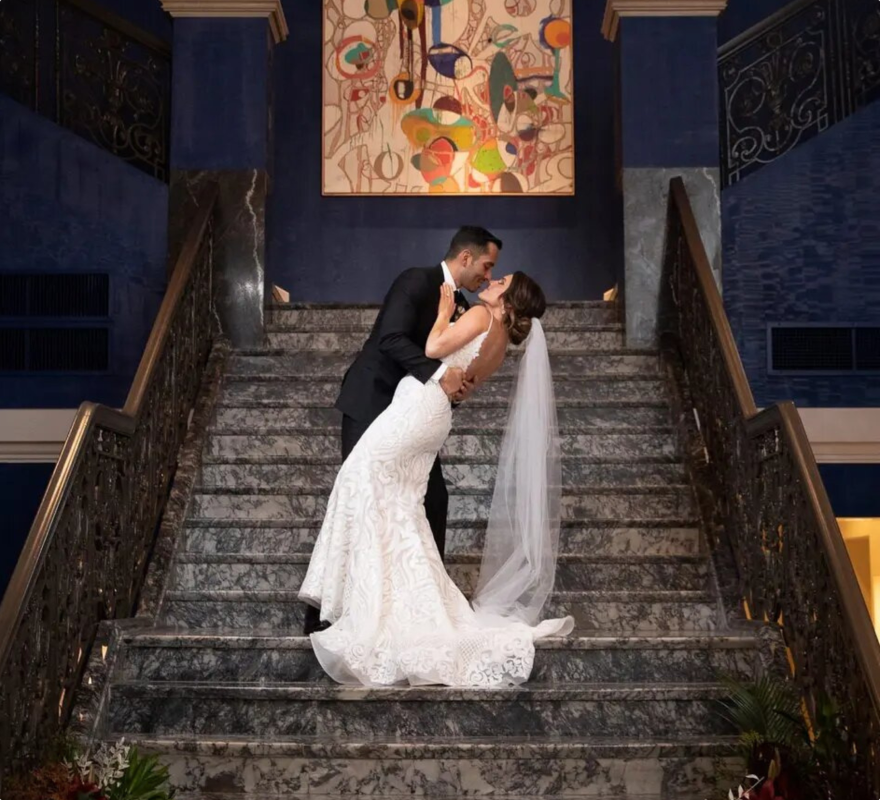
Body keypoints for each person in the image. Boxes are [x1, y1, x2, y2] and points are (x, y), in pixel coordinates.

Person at [298, 267, 574, 687]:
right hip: (434, 415)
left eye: (501, 282)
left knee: (361, 477)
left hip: (418, 407)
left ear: (509, 301)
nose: (492, 281)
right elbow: (464, 383)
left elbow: (432, 347)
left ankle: (366, 604)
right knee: (398, 503)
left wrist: (444, 312)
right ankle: (383, 598)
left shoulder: (481, 317)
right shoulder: (501, 342)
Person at [301, 226, 501, 636]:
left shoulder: (465, 307)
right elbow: (390, 338)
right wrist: (441, 374)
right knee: (361, 497)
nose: (487, 274)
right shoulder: (416, 280)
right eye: (486, 265)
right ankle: (330, 614)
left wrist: (458, 385)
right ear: (465, 258)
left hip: (411, 414)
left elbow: (454, 354)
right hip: (373, 400)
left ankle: (417, 607)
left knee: (434, 499)